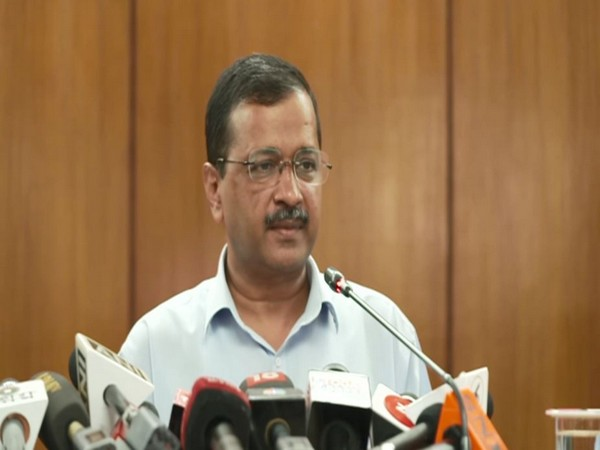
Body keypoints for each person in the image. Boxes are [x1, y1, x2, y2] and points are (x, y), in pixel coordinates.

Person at [119, 53, 431, 421]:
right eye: (264, 166)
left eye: (306, 164)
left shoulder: (386, 335)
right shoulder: (154, 348)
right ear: (215, 189)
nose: (291, 194)